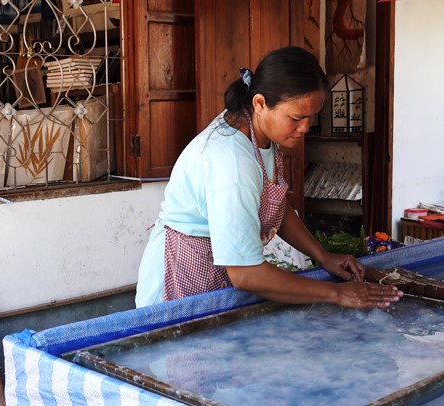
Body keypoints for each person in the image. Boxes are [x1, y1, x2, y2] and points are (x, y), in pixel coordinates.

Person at [136, 46, 403, 309]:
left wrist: (322, 255)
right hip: (183, 276)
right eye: (296, 118)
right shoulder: (232, 162)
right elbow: (246, 274)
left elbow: (274, 204)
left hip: (222, 269)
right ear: (260, 103)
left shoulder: (258, 130)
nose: (305, 129)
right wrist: (336, 294)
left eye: (311, 118)